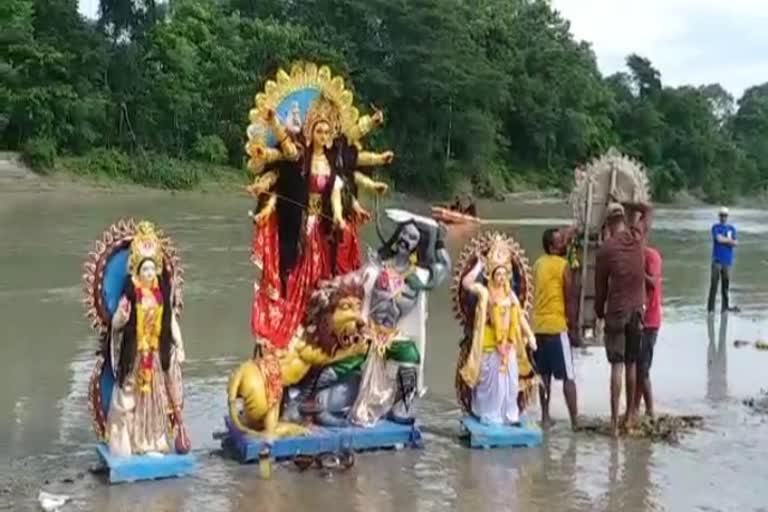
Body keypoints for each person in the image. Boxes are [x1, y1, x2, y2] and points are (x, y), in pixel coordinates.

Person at [594, 202, 650, 436]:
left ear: (608, 224)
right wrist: (630, 202)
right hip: (637, 312)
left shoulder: (606, 249)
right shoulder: (637, 238)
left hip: (616, 312)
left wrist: (598, 311)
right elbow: (649, 210)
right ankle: (629, 419)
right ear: (624, 220)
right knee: (631, 364)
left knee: (616, 366)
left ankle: (615, 425)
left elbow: (600, 288)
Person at [532, 228, 579, 429]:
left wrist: (569, 235)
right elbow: (569, 299)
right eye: (560, 242)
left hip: (538, 328)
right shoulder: (563, 266)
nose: (564, 244)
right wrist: (574, 328)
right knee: (568, 377)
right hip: (556, 327)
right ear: (552, 247)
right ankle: (575, 421)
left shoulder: (538, 264)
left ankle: (544, 417)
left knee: (544, 375)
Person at [637, 229, 662, 419]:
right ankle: (636, 409)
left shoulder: (651, 256)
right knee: (638, 367)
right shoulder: (635, 257)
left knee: (643, 369)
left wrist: (637, 270)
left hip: (650, 321)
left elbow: (652, 282)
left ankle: (650, 410)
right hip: (639, 320)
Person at [707, 207, 738, 314]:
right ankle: (711, 309)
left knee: (725, 287)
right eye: (721, 215)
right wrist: (729, 240)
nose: (723, 217)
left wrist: (726, 240)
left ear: (727, 216)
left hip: (727, 262)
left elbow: (735, 243)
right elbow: (718, 239)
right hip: (716, 261)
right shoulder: (715, 227)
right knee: (714, 286)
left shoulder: (732, 228)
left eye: (725, 215)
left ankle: (724, 308)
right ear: (719, 216)